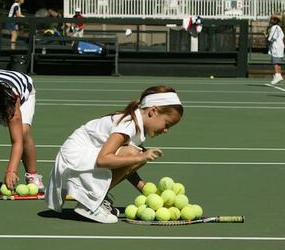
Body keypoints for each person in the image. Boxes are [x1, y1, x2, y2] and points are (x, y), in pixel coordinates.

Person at [46, 86, 184, 224]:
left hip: (80, 161)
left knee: (136, 153)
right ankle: (89, 205)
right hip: (73, 161)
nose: (166, 130)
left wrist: (142, 187)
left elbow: (126, 163)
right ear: (153, 111)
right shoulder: (128, 124)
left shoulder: (135, 124)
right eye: (167, 124)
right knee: (135, 153)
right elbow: (103, 159)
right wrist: (141, 157)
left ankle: (95, 199)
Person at [267, 14, 285, 84]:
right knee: (278, 62)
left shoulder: (274, 27)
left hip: (276, 47)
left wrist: (267, 39)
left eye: (272, 19)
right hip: (279, 47)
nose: (270, 20)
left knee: (275, 62)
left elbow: (271, 38)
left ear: (275, 20)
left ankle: (277, 75)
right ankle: (278, 75)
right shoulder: (279, 27)